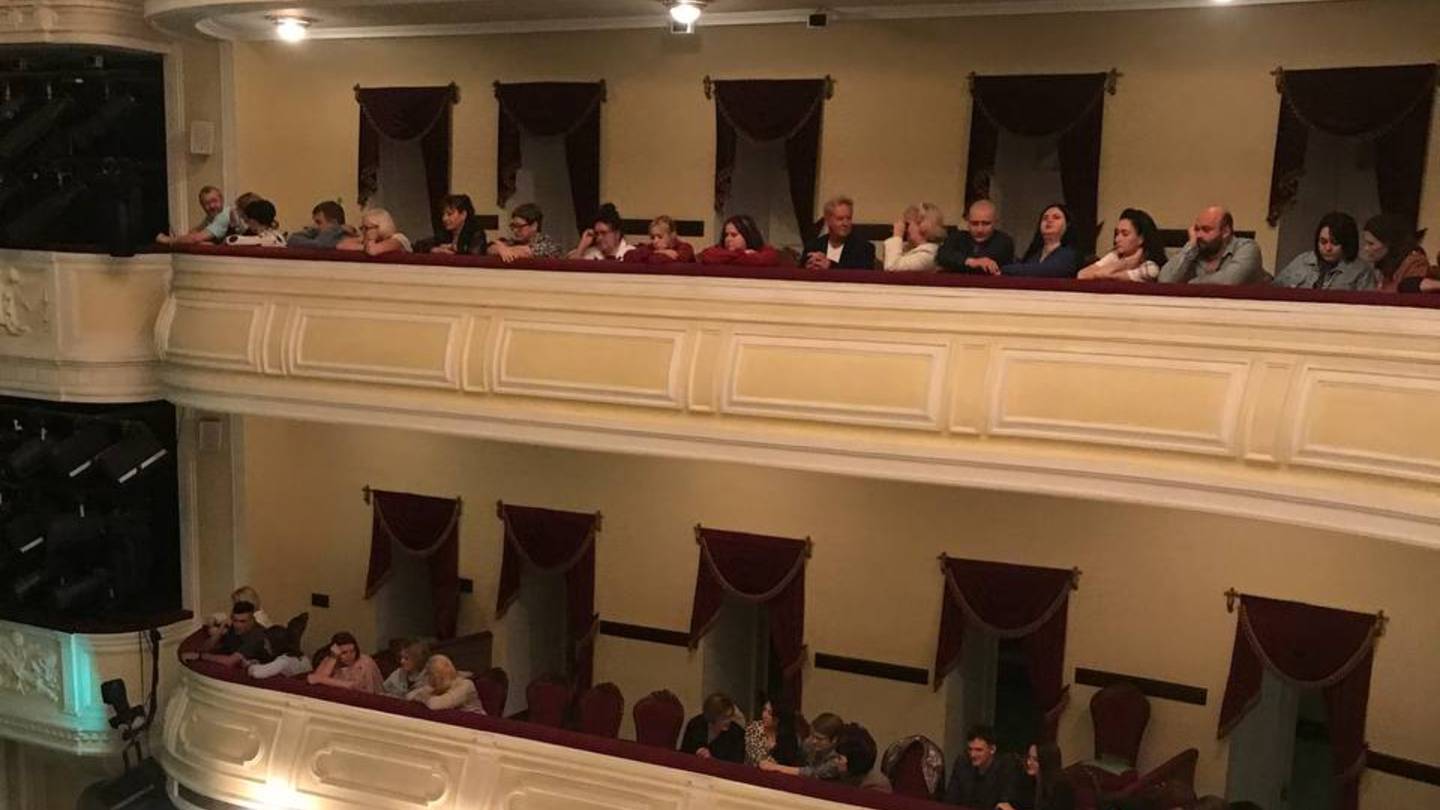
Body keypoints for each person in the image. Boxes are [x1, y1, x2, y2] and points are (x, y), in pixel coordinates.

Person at [1159, 206, 1266, 285]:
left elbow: (1230, 281)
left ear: (1225, 232)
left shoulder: (1247, 247)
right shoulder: (1194, 251)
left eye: (1206, 230)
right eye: (1196, 229)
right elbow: (1164, 281)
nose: (1198, 235)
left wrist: (1190, 284)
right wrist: (1190, 246)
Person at [1271, 212, 1374, 291]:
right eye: (1323, 242)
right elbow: (1274, 289)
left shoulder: (1361, 271)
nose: (1328, 248)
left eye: (1334, 243)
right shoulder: (1303, 261)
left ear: (1347, 243)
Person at [1078, 208, 1167, 282]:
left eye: (1125, 234)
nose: (1117, 239)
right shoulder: (1115, 256)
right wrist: (1125, 262)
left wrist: (1126, 263)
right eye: (1117, 233)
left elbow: (1102, 274)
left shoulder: (1150, 268)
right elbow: (1082, 275)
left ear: (1141, 239)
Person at [943, 725, 1020, 808]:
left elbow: (1004, 804)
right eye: (970, 749)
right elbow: (950, 801)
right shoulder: (962, 764)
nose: (972, 755)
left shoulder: (1005, 769)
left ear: (992, 749)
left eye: (978, 750)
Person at [937, 199, 1016, 274]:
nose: (979, 229)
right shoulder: (957, 237)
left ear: (995, 222)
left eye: (986, 223)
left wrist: (963, 262)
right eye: (974, 223)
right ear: (968, 222)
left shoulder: (1004, 241)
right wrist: (971, 262)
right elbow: (942, 256)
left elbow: (985, 266)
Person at [1004, 204, 1081, 278]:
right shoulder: (1034, 255)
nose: (1049, 220)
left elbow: (1044, 271)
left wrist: (1004, 269)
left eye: (1056, 217)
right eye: (1045, 218)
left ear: (1067, 224)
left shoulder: (1070, 255)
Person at [1362, 212, 1432, 293]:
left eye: (1371, 244)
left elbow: (1411, 296)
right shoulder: (1385, 265)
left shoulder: (1415, 263)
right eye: (1365, 243)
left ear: (1389, 244)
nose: (1366, 248)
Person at [760, 712, 844, 778]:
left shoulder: (839, 758)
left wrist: (776, 767)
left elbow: (813, 773)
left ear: (834, 740)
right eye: (812, 736)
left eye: (819, 739)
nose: (814, 741)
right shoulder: (808, 744)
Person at [184, 600, 267, 667]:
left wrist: (200, 656)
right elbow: (204, 648)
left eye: (243, 621)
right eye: (235, 620)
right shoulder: (234, 627)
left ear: (252, 620)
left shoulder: (257, 635)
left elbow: (229, 661)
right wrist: (221, 628)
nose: (237, 625)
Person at [802, 196, 876, 270]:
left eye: (849, 218)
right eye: (840, 219)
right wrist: (808, 268)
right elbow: (800, 272)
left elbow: (861, 274)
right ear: (828, 221)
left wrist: (830, 266)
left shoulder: (864, 248)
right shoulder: (813, 246)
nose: (845, 223)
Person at [157, 190, 257, 246]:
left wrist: (168, 240)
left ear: (222, 200)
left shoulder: (223, 216)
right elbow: (195, 232)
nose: (212, 206)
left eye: (214, 201)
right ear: (202, 206)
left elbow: (195, 239)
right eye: (207, 203)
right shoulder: (212, 216)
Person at [998, 742, 1074, 810]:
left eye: (1035, 759)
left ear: (1046, 761)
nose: (1029, 763)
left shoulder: (1061, 787)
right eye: (1029, 757)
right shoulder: (1029, 780)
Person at [307, 631, 384, 693]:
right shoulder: (332, 659)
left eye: (352, 651)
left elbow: (355, 687)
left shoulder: (365, 662)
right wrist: (333, 657)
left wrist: (322, 680)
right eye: (344, 652)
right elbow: (314, 680)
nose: (349, 656)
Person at [680, 692, 746, 763]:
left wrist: (712, 760)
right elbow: (684, 754)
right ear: (712, 717)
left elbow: (735, 765)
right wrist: (697, 752)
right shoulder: (695, 724)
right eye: (724, 718)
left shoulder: (737, 735)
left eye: (730, 716)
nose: (728, 721)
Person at [407, 654, 486, 713]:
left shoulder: (466, 685)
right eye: (433, 674)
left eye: (438, 673)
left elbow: (435, 705)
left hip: (478, 725)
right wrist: (425, 694)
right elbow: (409, 696)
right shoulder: (436, 686)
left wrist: (424, 697)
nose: (435, 679)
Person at [488, 202, 563, 262]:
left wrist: (505, 249)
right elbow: (490, 249)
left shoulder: (549, 245)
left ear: (534, 226)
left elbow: (526, 252)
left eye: (519, 226)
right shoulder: (513, 242)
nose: (515, 230)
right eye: (513, 226)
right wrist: (499, 248)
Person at [416, 194, 487, 255]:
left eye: (449, 214)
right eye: (443, 214)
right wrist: (434, 249)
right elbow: (418, 245)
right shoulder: (444, 233)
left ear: (463, 214)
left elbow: (474, 256)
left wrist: (456, 249)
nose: (444, 218)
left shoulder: (475, 233)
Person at [699, 215, 782, 266]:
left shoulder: (765, 251)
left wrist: (734, 257)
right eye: (726, 235)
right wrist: (743, 254)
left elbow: (769, 258)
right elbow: (707, 255)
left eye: (734, 235)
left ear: (747, 236)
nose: (728, 239)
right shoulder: (718, 251)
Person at [883, 203, 945, 272]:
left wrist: (897, 236)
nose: (905, 229)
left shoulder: (928, 255)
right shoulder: (909, 249)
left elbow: (892, 268)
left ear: (922, 226)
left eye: (907, 224)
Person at [744, 696, 800, 767]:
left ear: (778, 718)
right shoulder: (753, 729)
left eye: (769, 713)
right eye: (764, 710)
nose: (764, 715)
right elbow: (761, 761)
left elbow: (788, 762)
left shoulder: (787, 737)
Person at [835, 724, 891, 792]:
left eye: (839, 758)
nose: (835, 761)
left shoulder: (877, 787)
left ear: (853, 761)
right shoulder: (845, 776)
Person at [568, 203, 633, 260]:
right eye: (596, 234)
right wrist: (582, 246)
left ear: (617, 234)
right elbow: (569, 266)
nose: (599, 238)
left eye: (604, 233)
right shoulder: (590, 253)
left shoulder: (631, 254)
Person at [338, 208, 412, 256]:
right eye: (362, 228)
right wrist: (364, 243)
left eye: (366, 228)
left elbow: (373, 250)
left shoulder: (399, 239)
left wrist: (370, 240)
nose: (363, 231)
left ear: (379, 227)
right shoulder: (370, 240)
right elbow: (341, 245)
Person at [247, 625, 312, 679]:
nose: (265, 647)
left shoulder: (283, 661)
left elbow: (257, 674)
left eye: (266, 643)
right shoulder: (303, 657)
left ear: (275, 644)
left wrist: (251, 666)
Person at [623, 215, 696, 264]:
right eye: (653, 237)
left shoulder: (685, 248)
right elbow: (628, 256)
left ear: (672, 235)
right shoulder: (652, 248)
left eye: (660, 237)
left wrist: (653, 255)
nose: (655, 241)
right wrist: (660, 252)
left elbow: (677, 261)